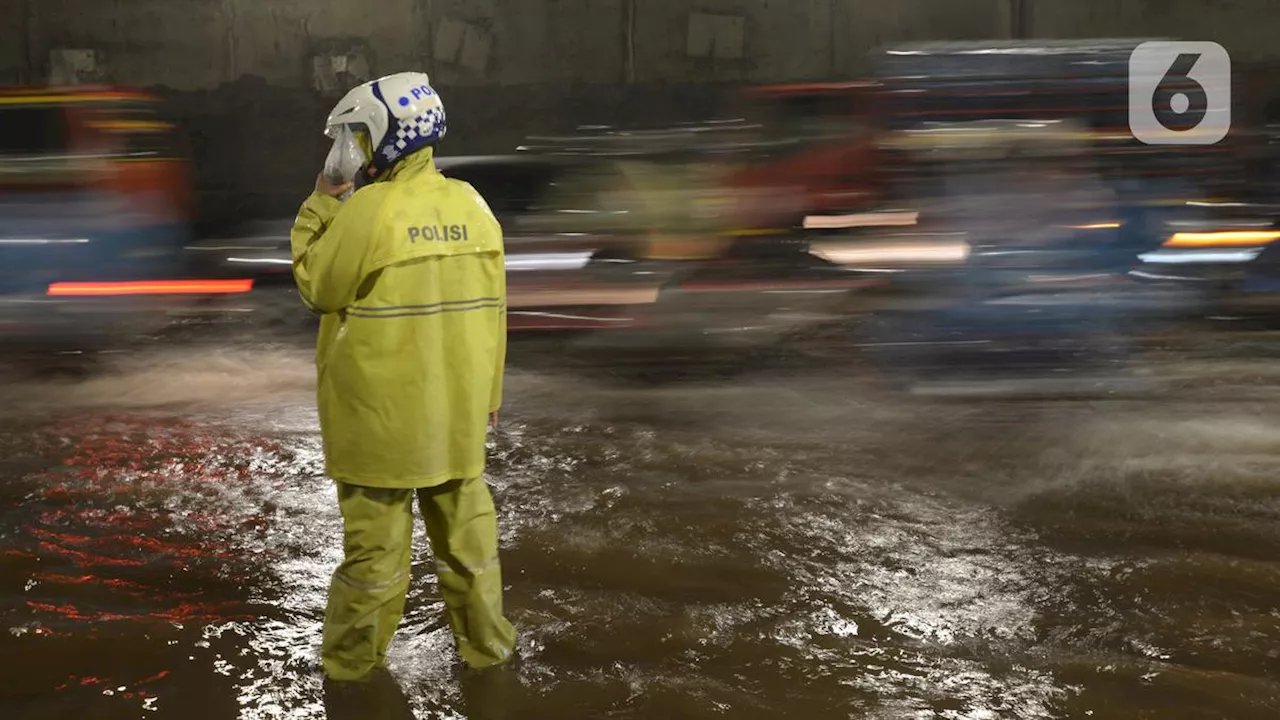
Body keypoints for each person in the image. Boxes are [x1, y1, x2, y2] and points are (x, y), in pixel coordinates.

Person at [289, 71, 516, 681]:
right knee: (471, 553)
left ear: (384, 137)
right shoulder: (473, 204)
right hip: (458, 419)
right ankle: (490, 659)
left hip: (380, 427)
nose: (353, 149)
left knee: (374, 563)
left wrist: (322, 200)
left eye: (358, 137)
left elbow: (317, 285)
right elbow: (495, 312)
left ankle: (351, 675)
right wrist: (488, 398)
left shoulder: (369, 210)